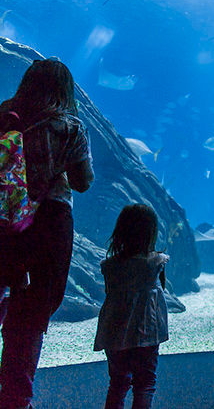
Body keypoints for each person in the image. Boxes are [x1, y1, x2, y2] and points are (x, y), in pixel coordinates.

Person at [0, 58, 94, 409]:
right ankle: (15, 398)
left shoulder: (4, 115)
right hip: (48, 225)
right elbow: (84, 183)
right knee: (30, 315)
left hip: (3, 222)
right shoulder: (69, 127)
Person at [94, 204, 169, 409]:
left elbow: (111, 292)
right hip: (146, 333)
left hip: (115, 333)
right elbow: (161, 286)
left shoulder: (108, 266)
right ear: (151, 233)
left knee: (117, 384)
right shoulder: (156, 262)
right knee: (145, 384)